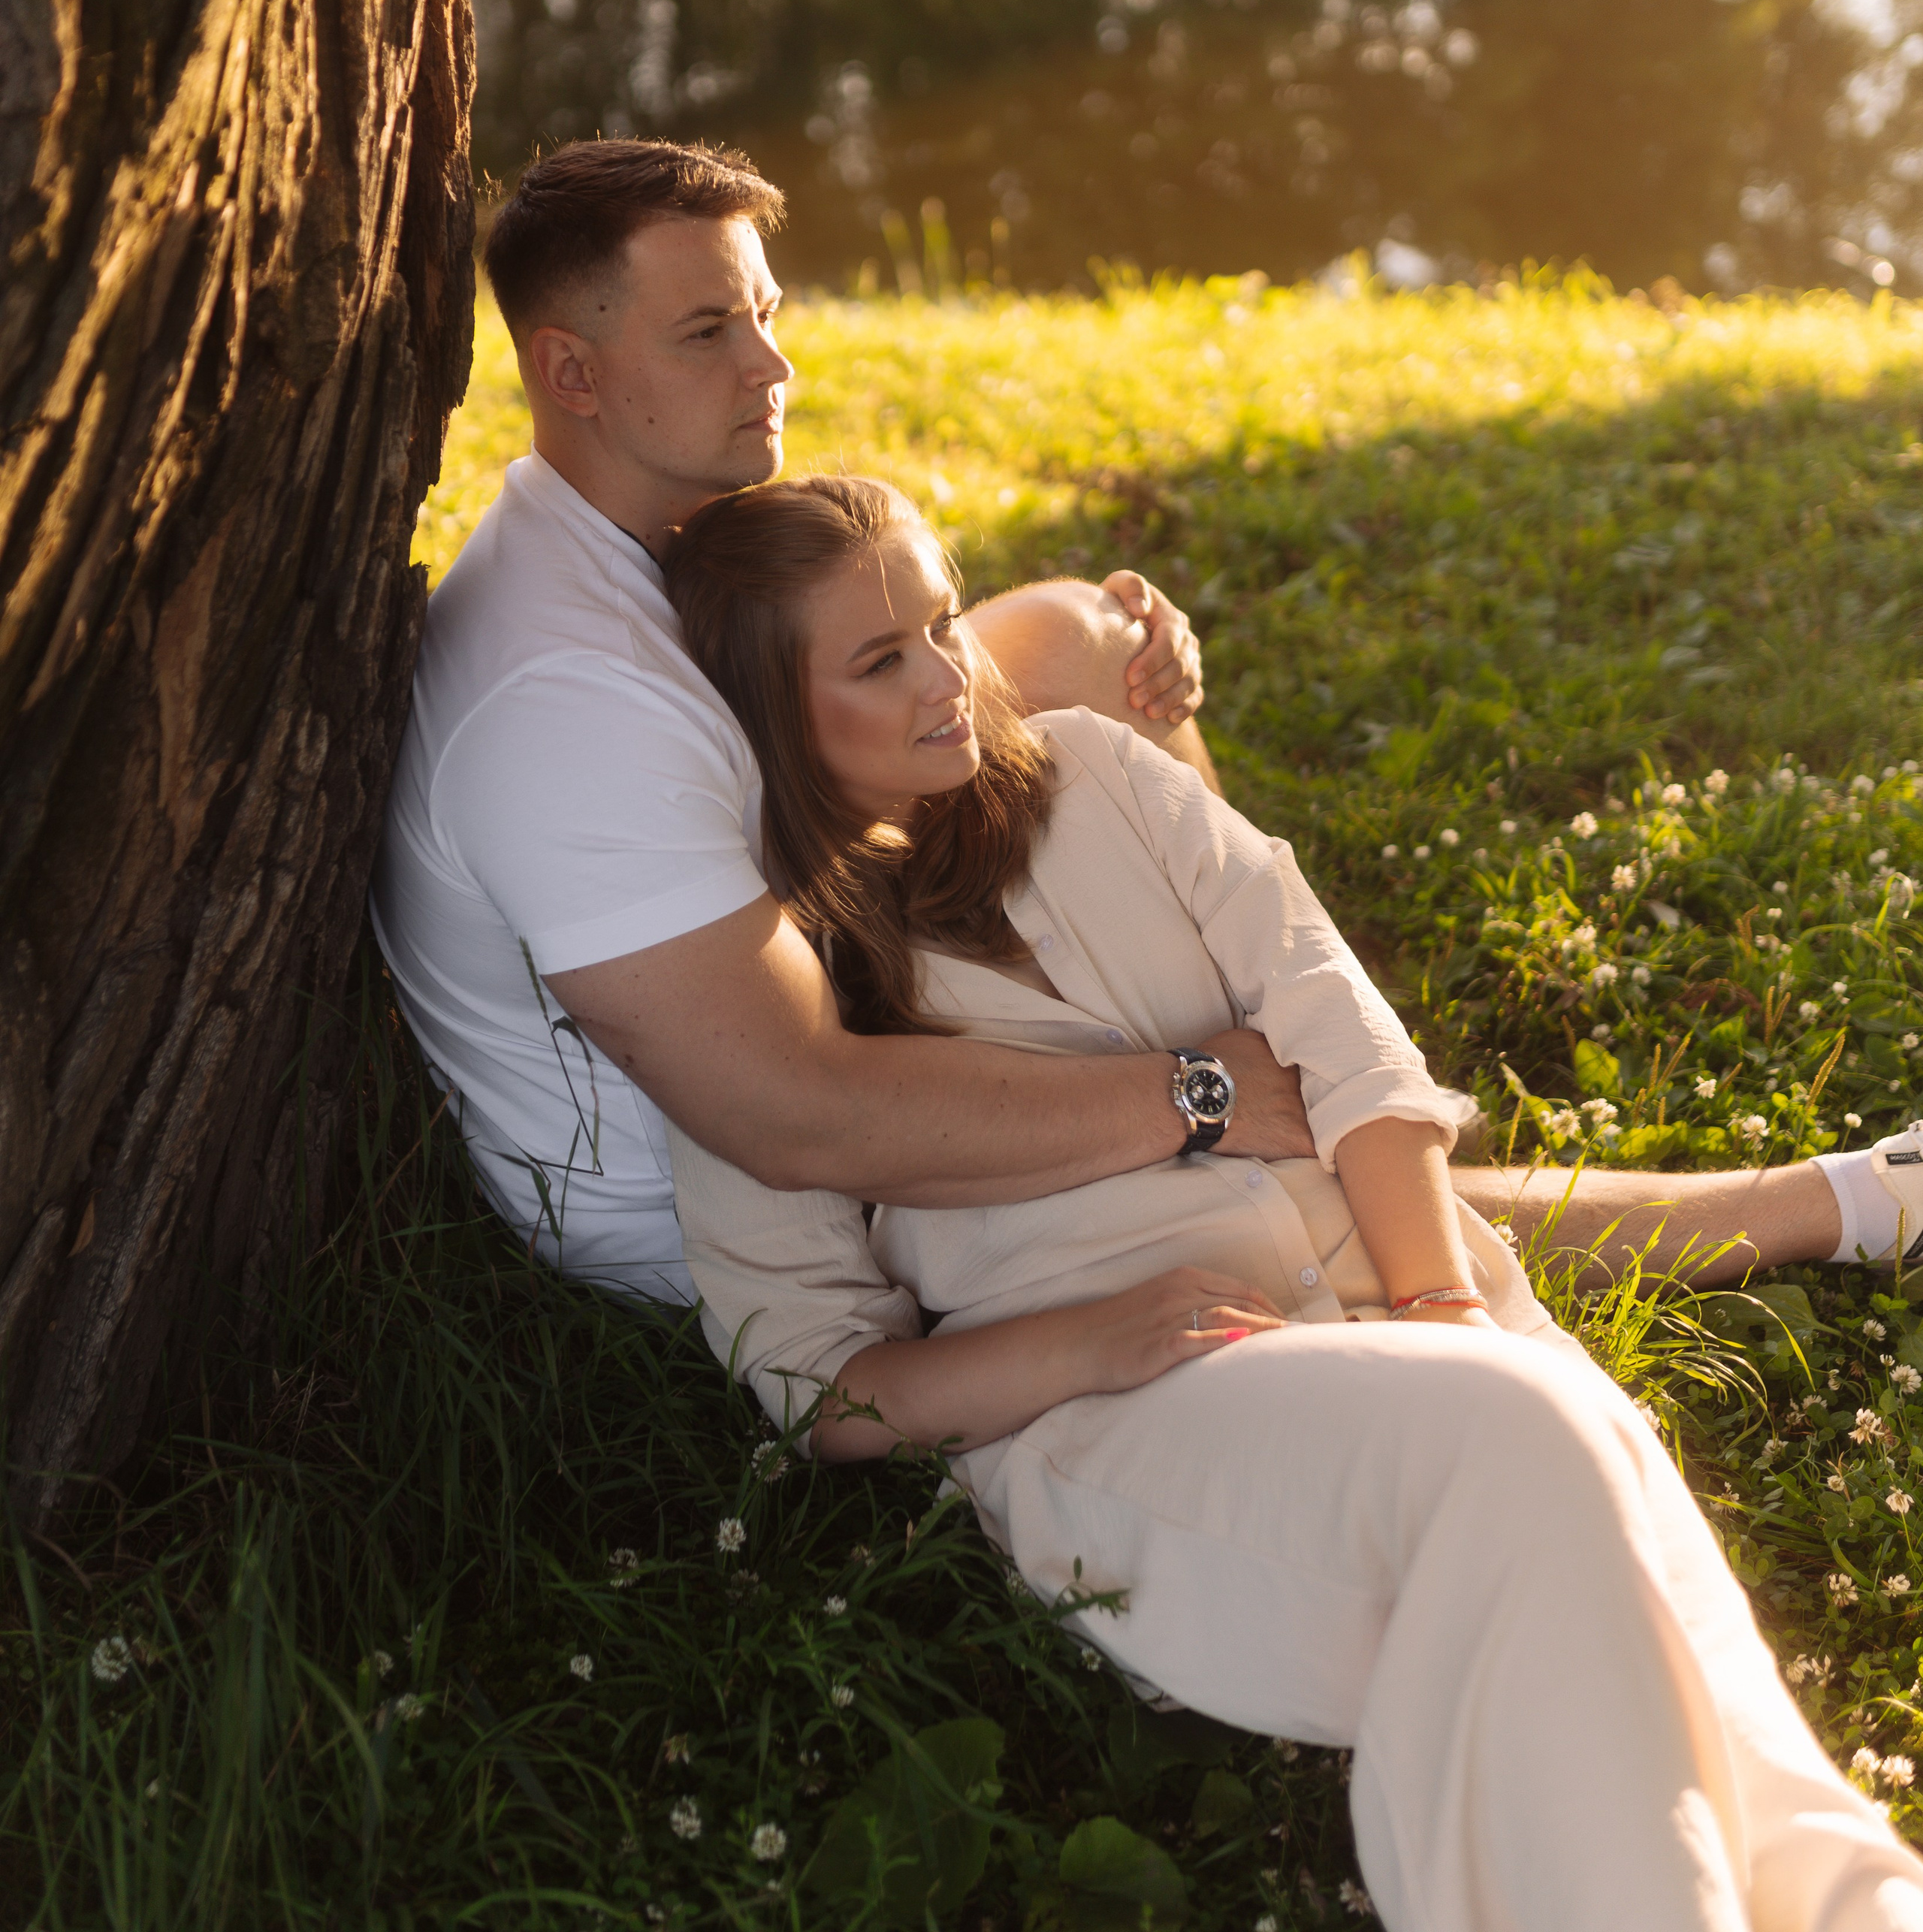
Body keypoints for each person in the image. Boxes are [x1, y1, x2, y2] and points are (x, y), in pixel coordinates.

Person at [656, 470, 1923, 1932]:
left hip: (1397, 1289)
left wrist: (1445, 1294)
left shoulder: (1091, 773)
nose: (949, 679)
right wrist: (1082, 1345)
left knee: (1594, 1500)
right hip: (1137, 1417)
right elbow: (824, 1391)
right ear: (768, 715)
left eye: (942, 622)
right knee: (1530, 1441)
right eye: (881, 660)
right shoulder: (756, 1002)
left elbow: (1336, 1023)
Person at [372, 137, 1317, 1306]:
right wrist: (1191, 1096)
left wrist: (1113, 631)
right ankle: (1307, 1117)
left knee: (1080, 645)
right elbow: (797, 1120)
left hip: (802, 1006)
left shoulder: (632, 534)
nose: (772, 365)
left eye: (766, 312)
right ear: (571, 374)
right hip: (743, 1219)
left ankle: (1316, 1066)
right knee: (1402, 1209)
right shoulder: (569, 705)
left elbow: (883, 653)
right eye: (708, 333)